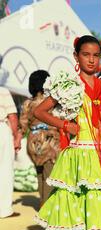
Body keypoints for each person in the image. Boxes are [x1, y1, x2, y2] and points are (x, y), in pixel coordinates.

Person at [28, 35, 101, 230]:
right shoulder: (69, 85)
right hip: (80, 155)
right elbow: (39, 111)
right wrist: (62, 125)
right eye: (86, 55)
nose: (91, 60)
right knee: (77, 213)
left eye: (96, 55)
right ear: (76, 57)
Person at [19, 70, 61, 206]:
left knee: (39, 174)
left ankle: (42, 203)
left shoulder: (27, 103)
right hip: (49, 141)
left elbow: (23, 125)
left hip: (33, 142)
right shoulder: (50, 102)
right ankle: (47, 208)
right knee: (50, 176)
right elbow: (60, 119)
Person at [0, 53, 22, 218]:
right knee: (5, 169)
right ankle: (4, 209)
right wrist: (16, 137)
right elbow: (12, 116)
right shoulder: (3, 91)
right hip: (2, 130)